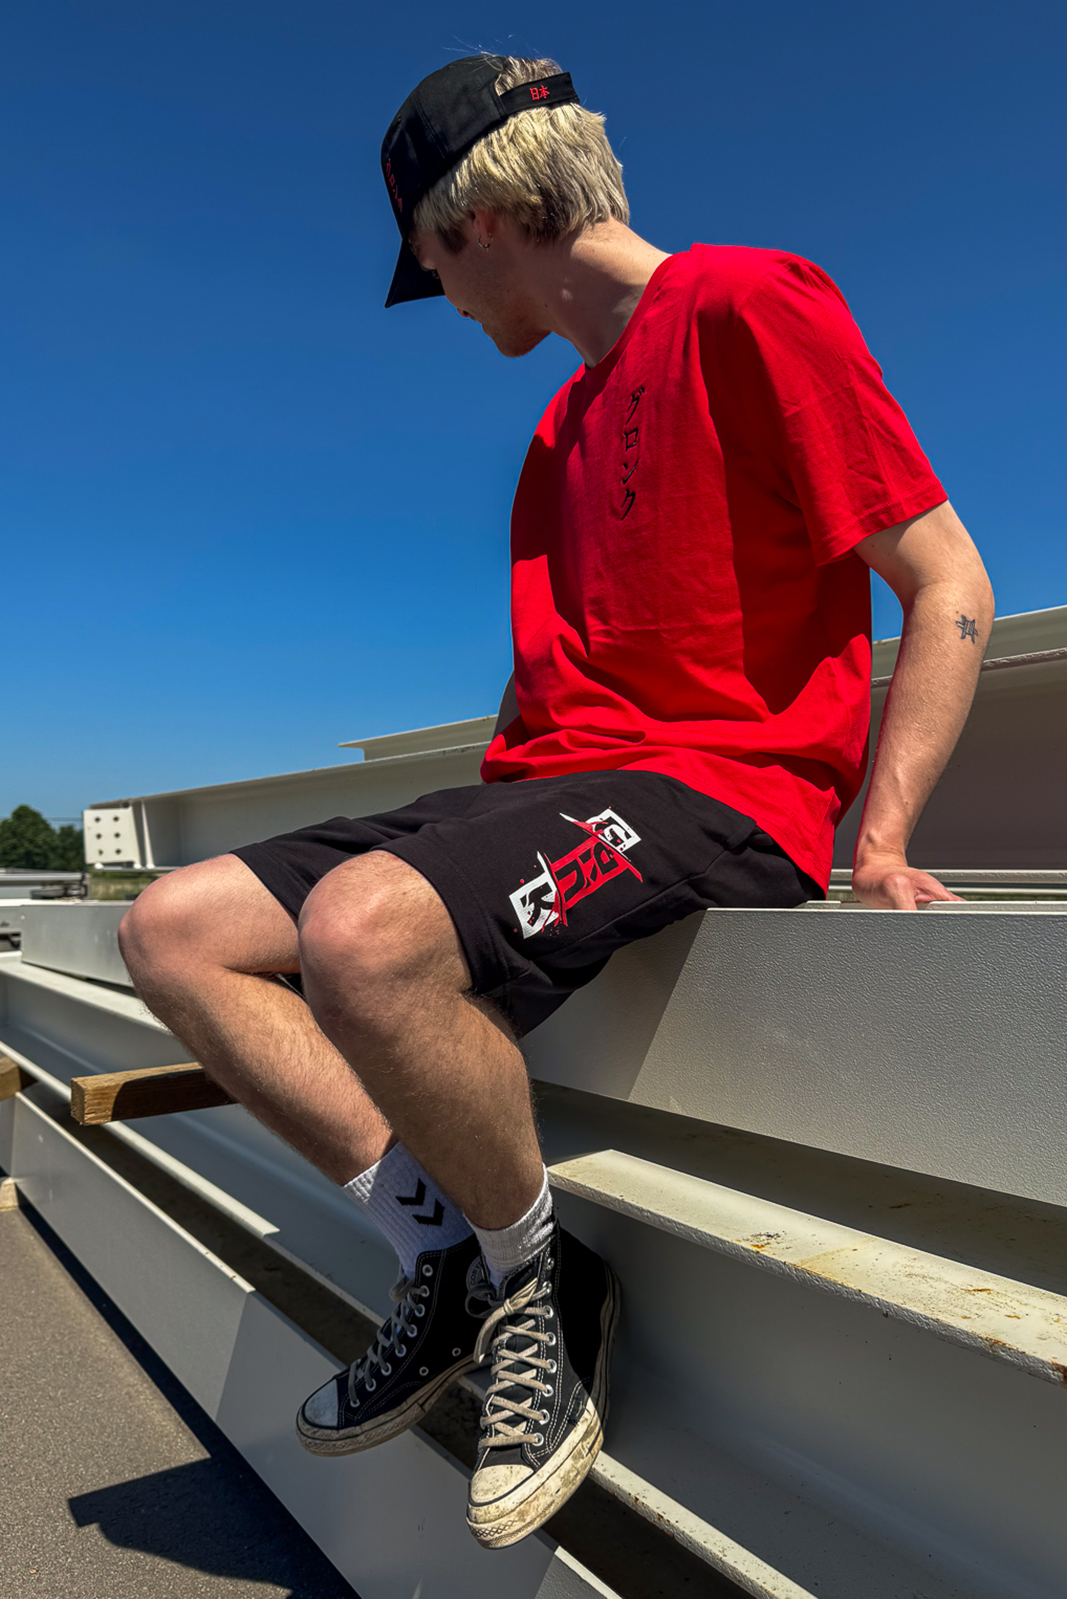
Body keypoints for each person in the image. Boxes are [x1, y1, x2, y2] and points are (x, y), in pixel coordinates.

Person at [118, 53, 994, 1551]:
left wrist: (884, 838)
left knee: (363, 936)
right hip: (563, 785)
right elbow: (548, 700)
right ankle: (455, 1252)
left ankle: (542, 1285)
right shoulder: (557, 432)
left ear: (478, 222)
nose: (451, 308)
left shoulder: (745, 303)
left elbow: (946, 578)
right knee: (173, 928)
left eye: (433, 272)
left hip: (719, 786)